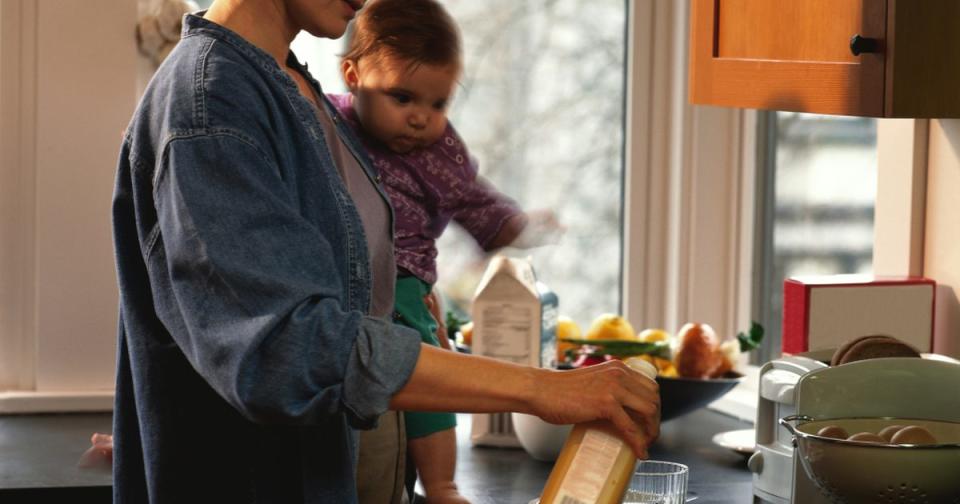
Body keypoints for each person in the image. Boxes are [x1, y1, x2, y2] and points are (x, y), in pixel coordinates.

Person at [111, 1, 660, 503]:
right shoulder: (212, 104)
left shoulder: (291, 82)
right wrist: (540, 389)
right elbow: (286, 349)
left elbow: (333, 293)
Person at [326, 1, 560, 501]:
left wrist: (516, 225)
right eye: (402, 97)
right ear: (352, 75)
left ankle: (441, 484)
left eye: (438, 105)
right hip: (342, 284)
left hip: (406, 284)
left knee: (427, 378)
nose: (420, 119)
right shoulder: (325, 125)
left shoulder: (441, 152)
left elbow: (473, 198)